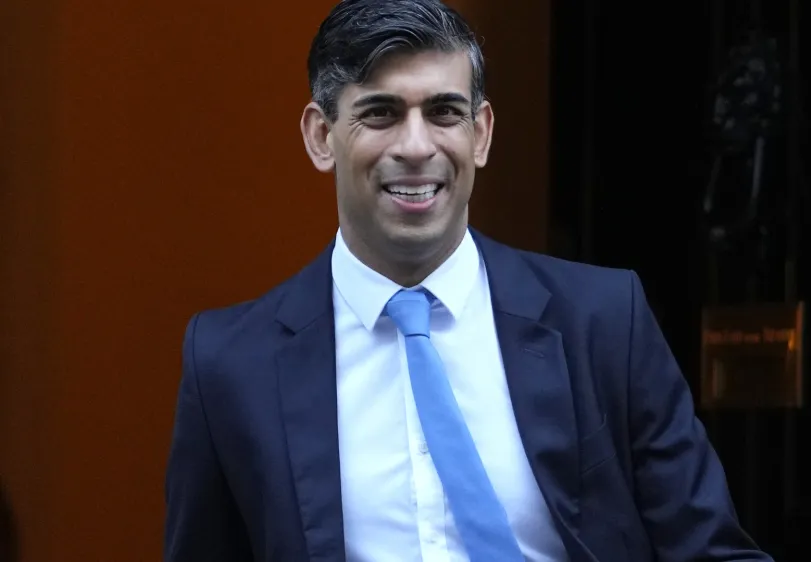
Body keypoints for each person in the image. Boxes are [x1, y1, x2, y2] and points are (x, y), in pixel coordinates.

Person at [163, 0, 773, 560]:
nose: (416, 145)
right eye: (379, 113)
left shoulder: (605, 320)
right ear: (321, 136)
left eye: (443, 112)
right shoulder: (229, 364)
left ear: (480, 133)